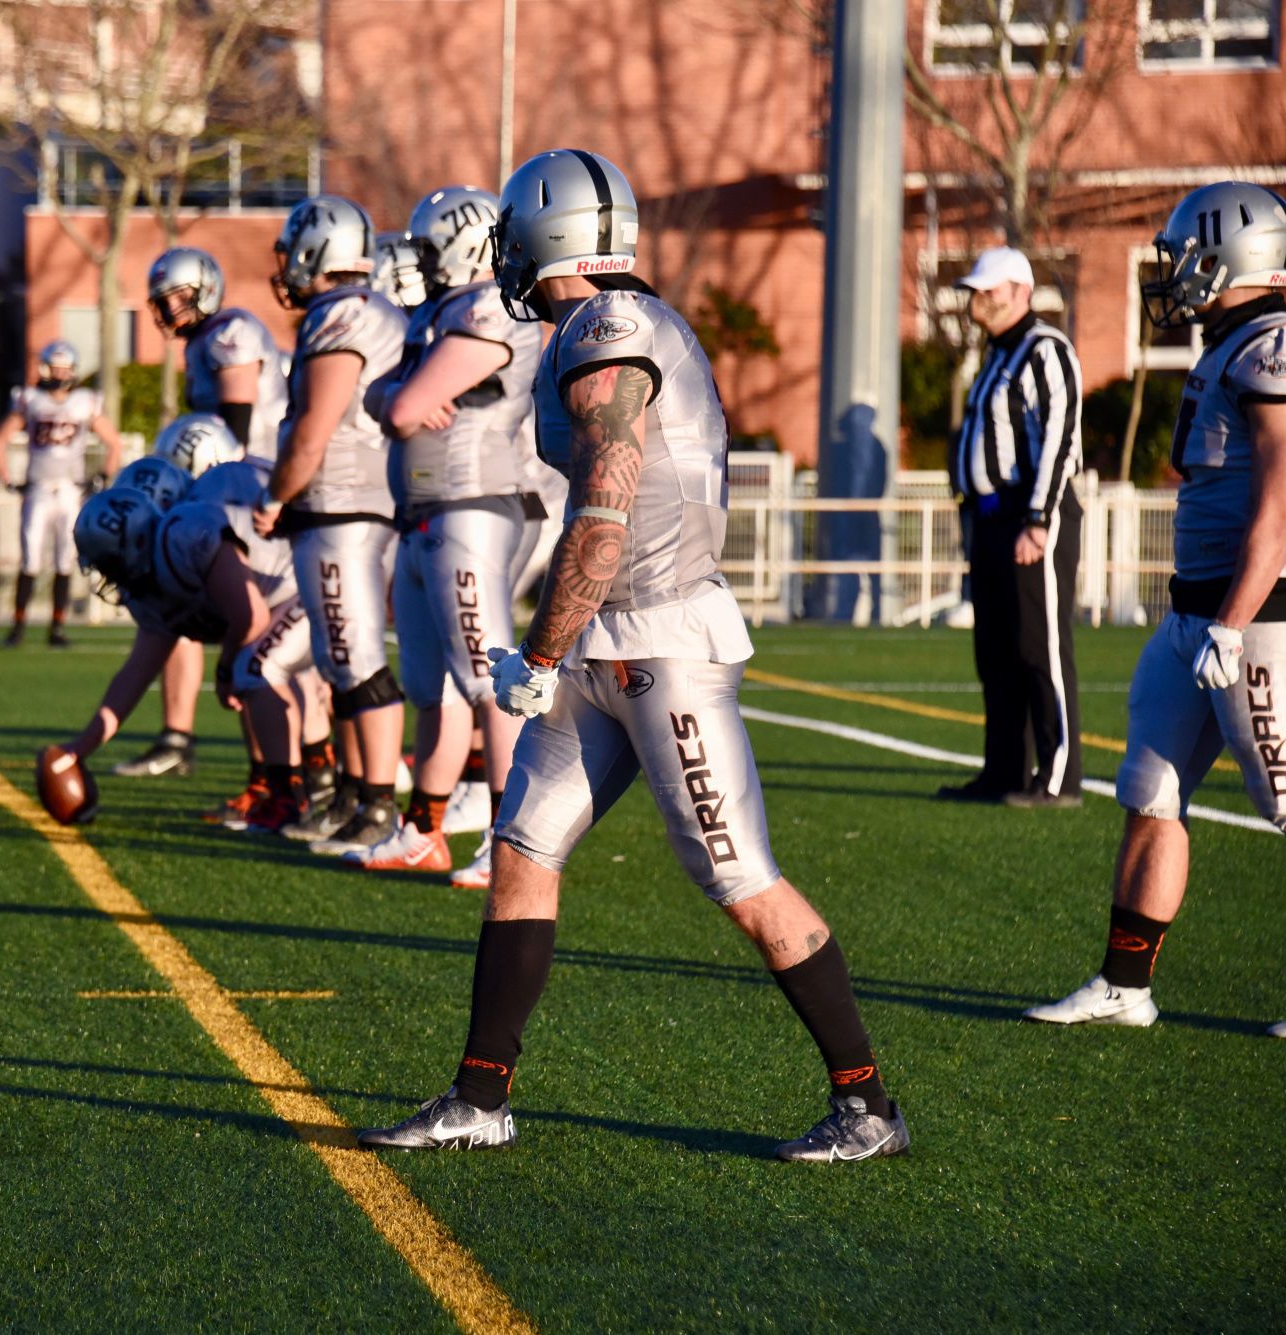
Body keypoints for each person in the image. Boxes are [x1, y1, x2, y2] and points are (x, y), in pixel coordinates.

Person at [359, 149, 906, 1162]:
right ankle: (480, 1097)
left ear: (544, 236)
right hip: (602, 639)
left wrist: (535, 655)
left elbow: (603, 519)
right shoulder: (591, 327)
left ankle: (867, 1104)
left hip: (659, 640)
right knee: (522, 847)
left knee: (736, 876)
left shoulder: (610, 330)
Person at [1025, 182, 1286, 1036]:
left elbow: (1281, 501)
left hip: (1255, 619)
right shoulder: (1232, 342)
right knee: (1149, 789)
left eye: (1187, 256)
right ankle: (1125, 984)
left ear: (1232, 254)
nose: (1176, 273)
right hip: (1195, 613)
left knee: (1282, 795)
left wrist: (1233, 623)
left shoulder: (1271, 346)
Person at [352, 185, 539, 885]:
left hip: (471, 507)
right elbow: (383, 397)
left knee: (491, 684)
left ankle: (512, 843)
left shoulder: (492, 305)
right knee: (434, 688)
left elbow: (400, 408)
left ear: (466, 245)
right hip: (425, 514)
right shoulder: (442, 311)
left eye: (431, 248)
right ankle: (424, 830)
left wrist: (403, 398)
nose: (420, 261)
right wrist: (402, 397)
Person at [254, 195, 410, 855]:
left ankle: (378, 802)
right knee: (337, 659)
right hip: (346, 504)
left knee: (355, 656)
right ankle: (353, 793)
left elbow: (315, 430)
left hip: (346, 503)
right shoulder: (358, 309)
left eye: (294, 249)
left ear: (317, 250)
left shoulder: (342, 314)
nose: (286, 264)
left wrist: (275, 494)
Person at [52, 464, 316, 832]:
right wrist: (80, 747)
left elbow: (250, 616)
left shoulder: (185, 534)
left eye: (108, 563)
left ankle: (291, 796)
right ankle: (306, 784)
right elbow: (134, 676)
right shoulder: (149, 589)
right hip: (284, 602)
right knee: (254, 668)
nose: (107, 576)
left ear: (132, 546)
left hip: (303, 584)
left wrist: (223, 669)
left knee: (254, 668)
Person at [117, 247, 294, 781]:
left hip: (251, 495)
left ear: (207, 288)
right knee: (186, 609)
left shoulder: (229, 332)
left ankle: (290, 773)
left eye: (179, 296)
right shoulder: (202, 341)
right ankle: (195, 745)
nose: (169, 308)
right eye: (162, 300)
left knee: (258, 634)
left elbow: (232, 433)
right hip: (233, 494)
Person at [937, 244, 1086, 809]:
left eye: (989, 290)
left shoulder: (1045, 349)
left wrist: (1038, 519)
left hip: (1031, 514)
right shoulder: (996, 354)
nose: (978, 300)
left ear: (1021, 292)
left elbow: (1060, 439)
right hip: (992, 519)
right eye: (975, 291)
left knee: (1039, 646)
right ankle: (1003, 773)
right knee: (995, 650)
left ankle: (1059, 777)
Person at [0, 341, 123, 648]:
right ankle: (18, 626)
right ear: (45, 369)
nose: (60, 374)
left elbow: (114, 442)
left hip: (69, 490)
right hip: (38, 487)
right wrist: (7, 479)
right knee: (30, 558)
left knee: (65, 558)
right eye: (56, 368)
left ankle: (57, 627)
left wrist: (102, 476)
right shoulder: (30, 399)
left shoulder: (85, 401)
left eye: (65, 369)